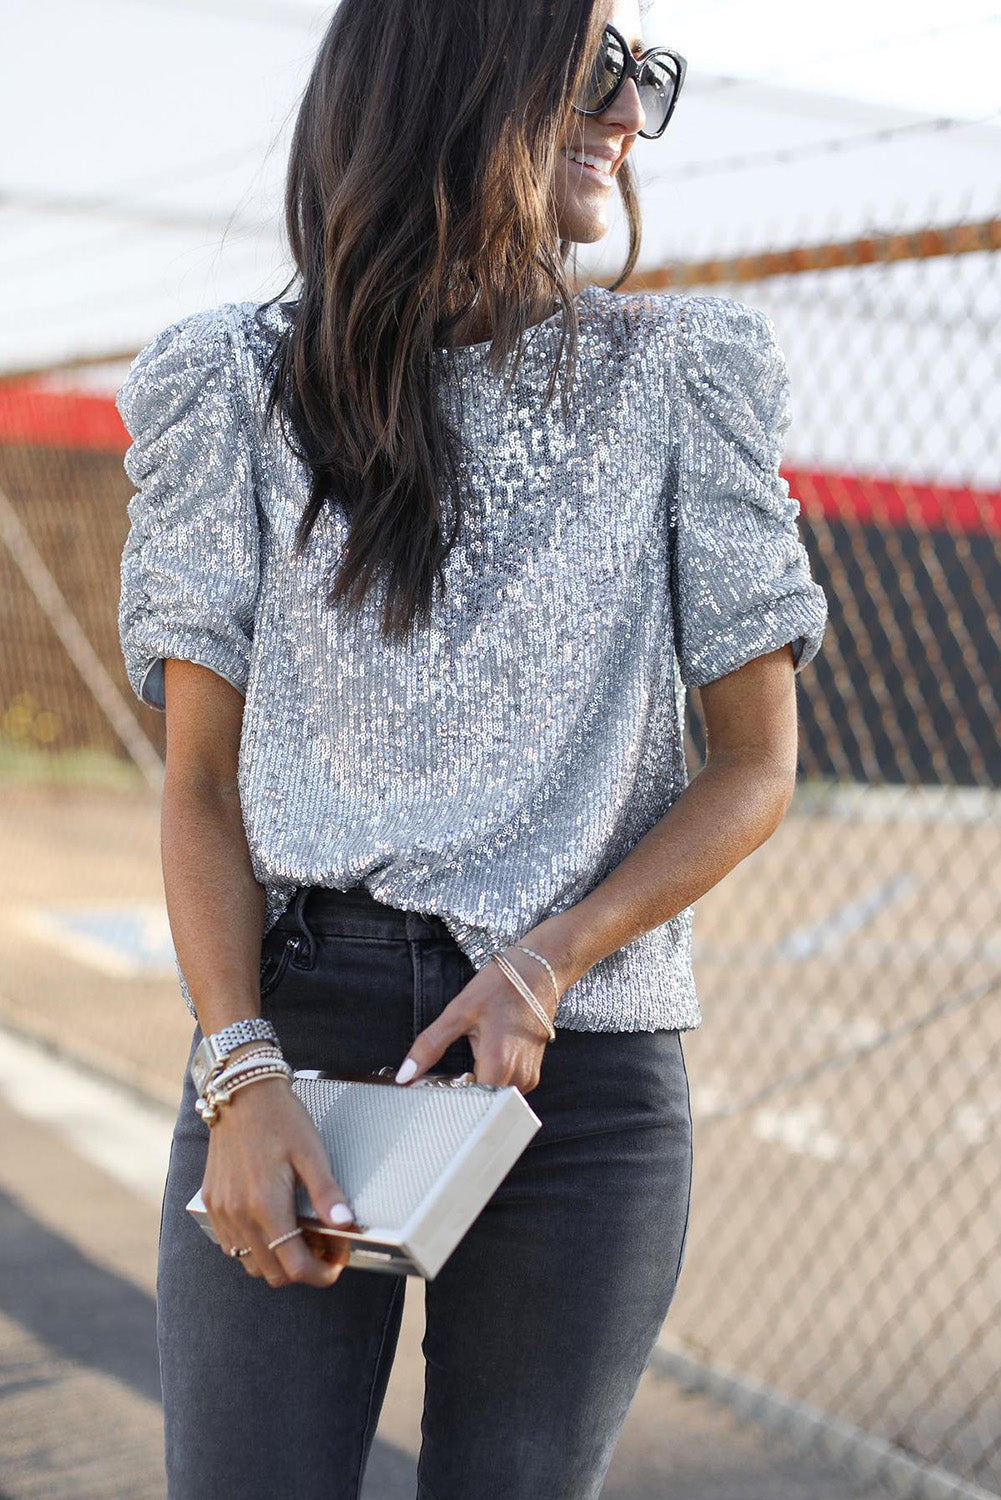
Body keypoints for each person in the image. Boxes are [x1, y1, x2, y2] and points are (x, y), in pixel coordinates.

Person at [115, 0, 827, 1494]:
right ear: (453, 72)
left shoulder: (684, 373)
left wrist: (548, 957)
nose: (630, 111)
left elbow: (754, 765)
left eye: (646, 76)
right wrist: (238, 1072)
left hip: (581, 1071)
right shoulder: (226, 385)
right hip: (291, 1033)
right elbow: (196, 784)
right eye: (595, 69)